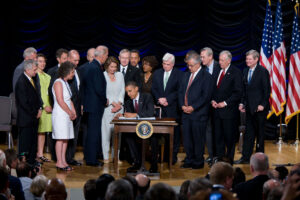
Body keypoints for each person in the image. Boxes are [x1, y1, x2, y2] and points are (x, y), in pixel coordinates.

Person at [235, 50, 270, 164]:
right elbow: (244, 91)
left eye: (250, 59)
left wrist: (263, 105)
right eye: (247, 59)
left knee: (260, 135)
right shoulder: (245, 71)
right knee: (248, 134)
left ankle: (260, 161)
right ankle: (245, 158)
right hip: (249, 109)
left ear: (256, 59)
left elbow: (267, 90)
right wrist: (242, 103)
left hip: (259, 110)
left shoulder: (262, 71)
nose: (247, 61)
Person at [179, 53, 213, 169]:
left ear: (198, 64)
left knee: (198, 139)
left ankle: (198, 162)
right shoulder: (185, 75)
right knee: (187, 139)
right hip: (185, 113)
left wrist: (193, 107)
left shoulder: (206, 76)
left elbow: (206, 96)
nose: (189, 68)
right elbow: (180, 92)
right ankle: (189, 160)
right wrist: (182, 105)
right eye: (188, 65)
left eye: (191, 65)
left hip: (198, 114)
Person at [211, 50, 243, 163]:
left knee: (229, 139)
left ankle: (229, 162)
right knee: (218, 138)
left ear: (229, 60)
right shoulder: (217, 71)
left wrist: (225, 103)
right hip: (216, 112)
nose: (219, 62)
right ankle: (220, 161)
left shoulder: (236, 72)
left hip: (229, 112)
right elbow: (213, 89)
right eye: (219, 60)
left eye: (222, 60)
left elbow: (238, 92)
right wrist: (213, 100)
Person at [152, 52, 182, 165]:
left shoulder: (179, 74)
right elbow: (154, 88)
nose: (165, 66)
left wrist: (167, 99)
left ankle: (172, 157)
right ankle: (160, 156)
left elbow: (179, 91)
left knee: (174, 135)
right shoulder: (157, 73)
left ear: (173, 64)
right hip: (160, 108)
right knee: (159, 134)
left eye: (168, 64)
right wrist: (159, 99)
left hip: (172, 108)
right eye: (164, 63)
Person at [118, 81, 155, 172]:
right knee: (128, 136)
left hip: (149, 126)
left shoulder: (147, 97)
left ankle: (154, 165)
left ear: (136, 89)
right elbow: (130, 116)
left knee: (155, 138)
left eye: (130, 91)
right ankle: (137, 162)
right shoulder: (128, 101)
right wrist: (123, 115)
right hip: (136, 127)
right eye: (127, 92)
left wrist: (135, 114)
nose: (128, 94)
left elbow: (150, 112)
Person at [82, 45, 108, 167]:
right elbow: (99, 89)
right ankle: (92, 160)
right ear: (102, 55)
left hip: (89, 105)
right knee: (94, 132)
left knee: (90, 132)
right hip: (95, 106)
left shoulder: (90, 66)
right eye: (106, 55)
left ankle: (89, 156)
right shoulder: (96, 68)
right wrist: (105, 100)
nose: (107, 58)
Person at [15, 59, 42, 165]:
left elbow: (37, 97)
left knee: (32, 142)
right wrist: (35, 112)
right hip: (26, 119)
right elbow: (24, 102)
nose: (36, 72)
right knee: (25, 144)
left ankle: (31, 161)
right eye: (34, 70)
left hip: (33, 118)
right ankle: (23, 165)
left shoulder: (32, 79)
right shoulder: (21, 82)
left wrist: (40, 108)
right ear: (27, 69)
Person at [52, 61, 76, 171]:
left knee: (65, 139)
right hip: (60, 114)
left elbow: (69, 100)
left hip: (66, 114)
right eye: (72, 72)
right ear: (66, 71)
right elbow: (60, 101)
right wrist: (70, 112)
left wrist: (73, 111)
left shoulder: (65, 83)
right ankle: (59, 162)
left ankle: (63, 160)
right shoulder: (58, 83)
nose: (73, 73)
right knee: (60, 139)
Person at [101, 56, 125, 163]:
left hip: (119, 108)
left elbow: (122, 91)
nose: (113, 69)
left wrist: (119, 104)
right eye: (111, 67)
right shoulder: (103, 75)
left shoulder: (120, 75)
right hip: (108, 108)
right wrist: (113, 103)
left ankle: (116, 157)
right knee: (106, 133)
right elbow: (103, 93)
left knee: (117, 133)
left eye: (115, 67)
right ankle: (106, 156)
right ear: (107, 66)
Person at [200, 47, 221, 165]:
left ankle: (218, 155)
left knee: (217, 131)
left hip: (218, 105)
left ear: (210, 57)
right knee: (208, 130)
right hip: (206, 105)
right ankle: (211, 155)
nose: (201, 59)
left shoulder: (220, 67)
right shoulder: (202, 69)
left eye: (203, 57)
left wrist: (216, 101)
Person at [47, 48, 68, 161]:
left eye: (67, 58)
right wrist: (52, 104)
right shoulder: (52, 71)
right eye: (64, 58)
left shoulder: (70, 71)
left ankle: (63, 158)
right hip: (56, 107)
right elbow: (49, 90)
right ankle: (56, 157)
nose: (66, 61)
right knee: (55, 134)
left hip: (66, 108)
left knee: (64, 136)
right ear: (58, 59)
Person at [66, 50, 82, 166]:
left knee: (74, 134)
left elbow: (80, 90)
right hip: (67, 108)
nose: (76, 63)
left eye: (78, 60)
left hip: (77, 108)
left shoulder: (78, 71)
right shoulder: (62, 72)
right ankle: (63, 158)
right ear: (68, 59)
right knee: (66, 134)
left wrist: (81, 105)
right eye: (74, 60)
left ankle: (70, 158)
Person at [36, 54, 52, 163]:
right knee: (38, 131)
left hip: (49, 107)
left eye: (44, 61)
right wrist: (43, 106)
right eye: (40, 61)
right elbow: (38, 93)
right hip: (41, 107)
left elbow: (49, 93)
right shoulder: (35, 75)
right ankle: (35, 153)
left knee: (43, 132)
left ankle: (41, 154)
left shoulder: (48, 76)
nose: (43, 63)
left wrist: (51, 105)